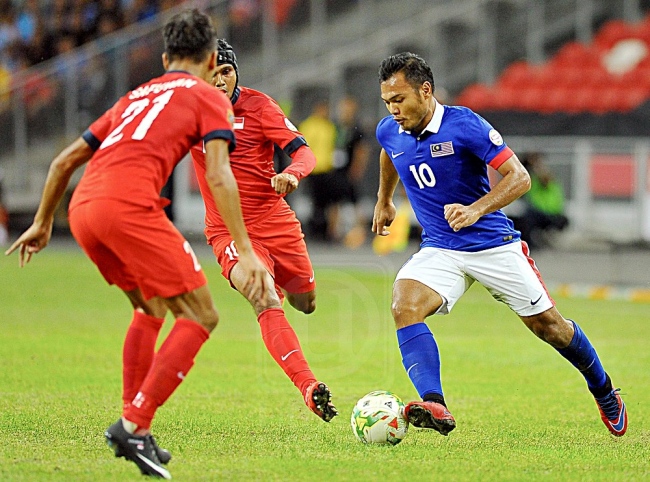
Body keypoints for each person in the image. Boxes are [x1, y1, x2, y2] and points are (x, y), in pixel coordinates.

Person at [5, 10, 270, 479]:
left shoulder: (136, 94)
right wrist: (246, 250)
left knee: (150, 306)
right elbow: (218, 172)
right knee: (202, 314)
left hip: (84, 208)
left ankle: (135, 425)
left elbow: (65, 160)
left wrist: (45, 221)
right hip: (130, 208)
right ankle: (134, 423)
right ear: (212, 60)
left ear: (166, 58)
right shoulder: (209, 96)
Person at [372, 52, 627, 438]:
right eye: (387, 101)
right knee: (403, 305)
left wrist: (477, 209)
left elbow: (519, 177)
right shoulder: (390, 128)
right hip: (441, 247)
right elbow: (389, 154)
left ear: (426, 91)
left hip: (493, 244)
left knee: (551, 328)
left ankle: (604, 389)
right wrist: (384, 200)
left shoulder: (465, 125)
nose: (392, 110)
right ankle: (435, 403)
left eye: (399, 100)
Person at [189, 39, 337, 422]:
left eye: (227, 70)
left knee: (305, 302)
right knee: (265, 298)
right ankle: (308, 386)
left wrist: (291, 173)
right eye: (213, 71)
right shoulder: (189, 112)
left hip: (277, 224)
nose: (221, 79)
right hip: (227, 232)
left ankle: (283, 290)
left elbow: (305, 153)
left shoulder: (259, 106)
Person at [330, 95, 371, 248]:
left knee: (355, 202)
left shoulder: (356, 128)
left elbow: (362, 150)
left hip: (349, 170)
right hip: (336, 169)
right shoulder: (336, 127)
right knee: (334, 202)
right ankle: (334, 233)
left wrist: (357, 168)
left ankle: (361, 232)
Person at [298, 99, 337, 241]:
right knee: (316, 203)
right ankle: (316, 230)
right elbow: (304, 148)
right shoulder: (309, 125)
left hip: (327, 169)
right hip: (314, 170)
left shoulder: (329, 126)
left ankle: (326, 231)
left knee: (327, 203)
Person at [516, 152, 569, 249]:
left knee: (529, 217)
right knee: (518, 219)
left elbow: (544, 178)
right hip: (538, 212)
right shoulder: (529, 180)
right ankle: (526, 242)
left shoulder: (546, 178)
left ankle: (530, 244)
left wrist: (535, 163)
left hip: (551, 213)